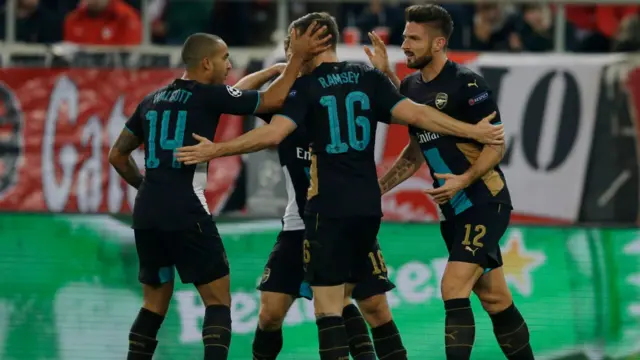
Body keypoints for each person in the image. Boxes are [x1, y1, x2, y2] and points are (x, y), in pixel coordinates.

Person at [175, 12, 503, 360]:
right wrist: (282, 68)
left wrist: (216, 149)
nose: (289, 52)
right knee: (278, 312)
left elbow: (263, 125)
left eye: (293, 45)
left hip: (324, 213)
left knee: (342, 307)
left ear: (310, 43)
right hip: (320, 218)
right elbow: (417, 114)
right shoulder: (354, 80)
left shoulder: (300, 93)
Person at [107, 27, 330, 360]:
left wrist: (146, 187)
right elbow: (272, 100)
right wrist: (295, 58)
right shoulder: (207, 96)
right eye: (225, 58)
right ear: (207, 63)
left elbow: (117, 156)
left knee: (153, 305)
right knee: (217, 302)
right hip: (185, 209)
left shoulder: (151, 100)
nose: (230, 65)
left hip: (147, 211)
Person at [371, 4, 535, 360]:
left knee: (452, 287)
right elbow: (415, 155)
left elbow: (497, 144)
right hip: (454, 211)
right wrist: (378, 188)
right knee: (495, 299)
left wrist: (464, 178)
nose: (405, 44)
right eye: (404, 37)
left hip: (484, 200)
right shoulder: (411, 86)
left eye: (414, 38)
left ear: (439, 43)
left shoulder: (467, 83)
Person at [228, 38, 403, 360]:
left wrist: (388, 75)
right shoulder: (288, 102)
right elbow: (235, 96)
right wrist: (279, 70)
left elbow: (402, 107)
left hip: (339, 216)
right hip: (300, 222)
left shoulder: (346, 99)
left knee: (372, 306)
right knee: (270, 313)